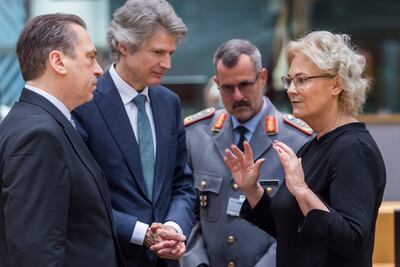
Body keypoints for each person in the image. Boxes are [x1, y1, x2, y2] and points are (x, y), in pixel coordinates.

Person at [224, 31, 386, 267]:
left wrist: (301, 190)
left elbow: (352, 240)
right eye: (289, 80)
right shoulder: (313, 145)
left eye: (302, 80)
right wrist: (252, 190)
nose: (290, 90)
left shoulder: (354, 149)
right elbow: (293, 231)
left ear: (336, 84)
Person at [72, 1, 196, 266]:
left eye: (170, 53)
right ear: (123, 46)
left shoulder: (169, 103)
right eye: (158, 52)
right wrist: (142, 233)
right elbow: (81, 196)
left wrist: (173, 228)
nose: (167, 64)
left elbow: (182, 183)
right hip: (111, 255)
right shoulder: (83, 104)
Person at [0, 13, 124, 266]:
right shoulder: (39, 134)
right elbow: (35, 252)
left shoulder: (42, 121)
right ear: (58, 61)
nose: (99, 69)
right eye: (90, 57)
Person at [180, 39, 312, 267]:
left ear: (262, 78)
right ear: (216, 84)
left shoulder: (298, 138)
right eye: (228, 88)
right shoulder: (195, 135)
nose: (238, 96)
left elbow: (302, 223)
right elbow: (186, 209)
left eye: (245, 85)